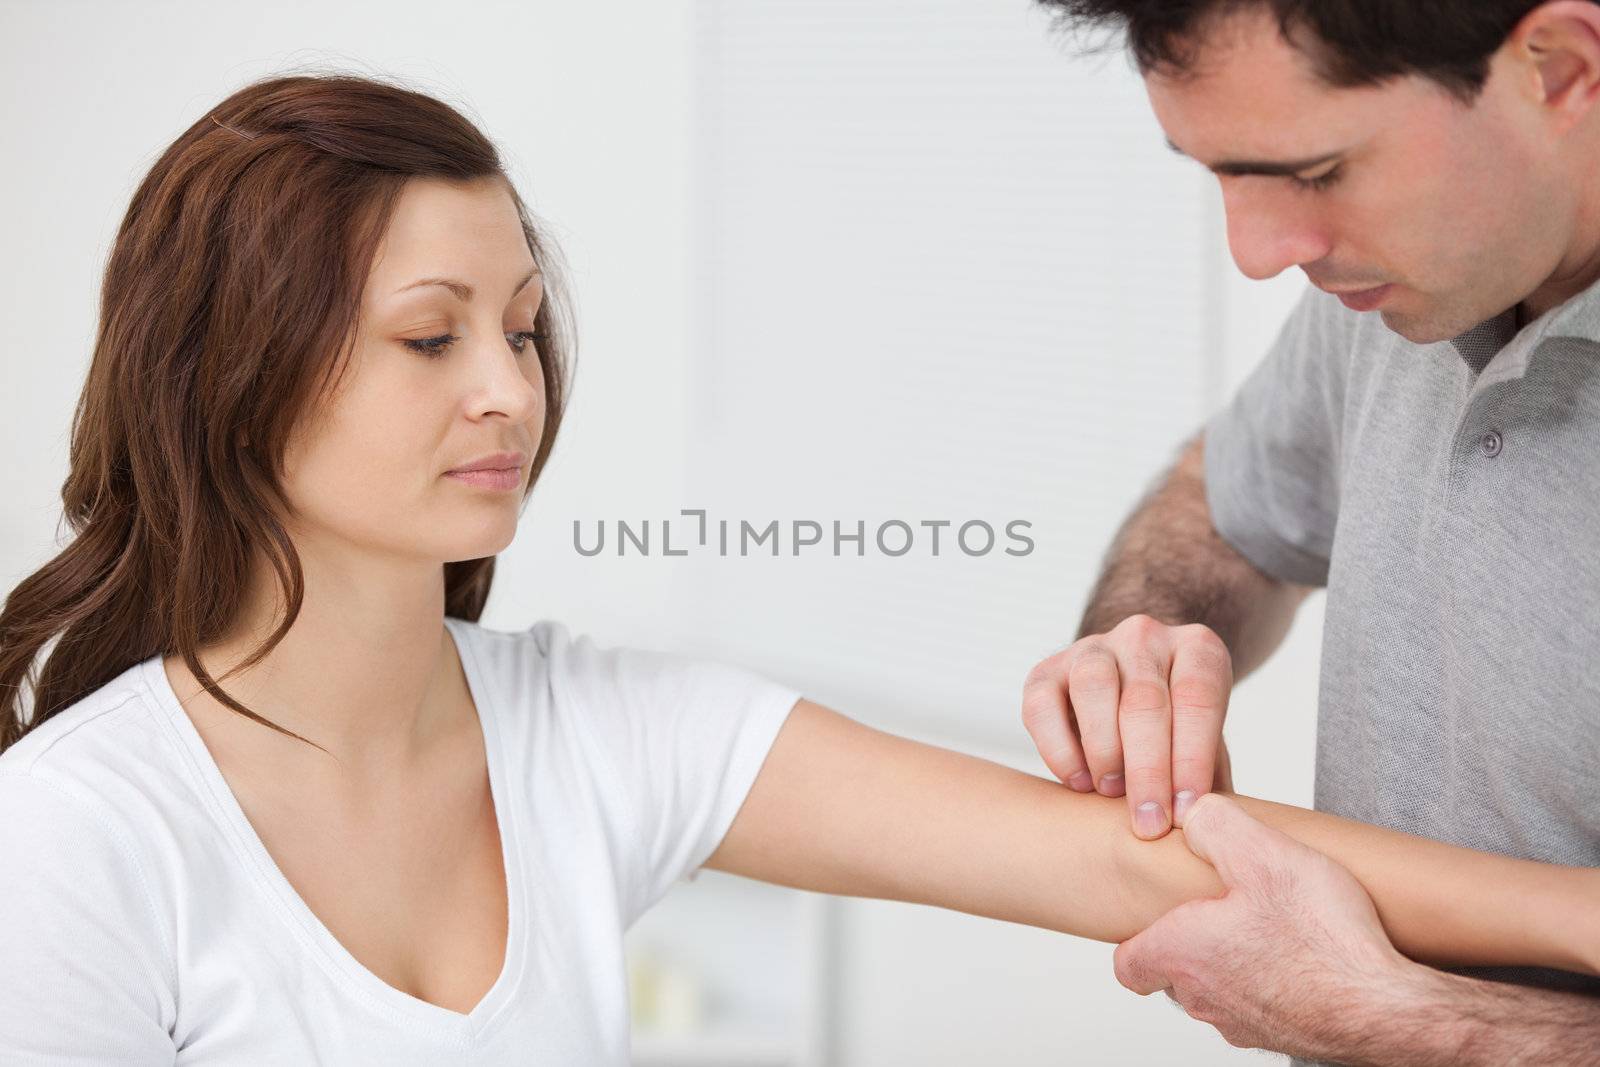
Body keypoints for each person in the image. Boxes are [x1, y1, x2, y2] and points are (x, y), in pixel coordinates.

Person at [0, 72, 1593, 1066]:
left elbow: (1131, 856)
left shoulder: (585, 729)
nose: (509, 388)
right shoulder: (78, 840)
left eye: (525, 328)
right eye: (432, 337)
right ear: (236, 379)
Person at [1019, 1, 1600, 1063]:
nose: (1257, 252)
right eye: (1221, 174)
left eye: (1319, 172)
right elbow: (1225, 502)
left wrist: (1412, 1022)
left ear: (1558, 68)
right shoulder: (1396, 297)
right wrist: (1143, 639)